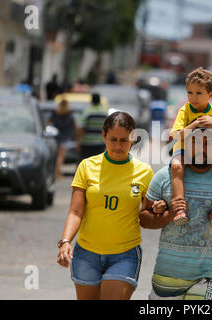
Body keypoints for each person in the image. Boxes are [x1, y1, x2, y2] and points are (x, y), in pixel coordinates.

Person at [139, 127, 212, 300]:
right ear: (185, 144)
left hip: (207, 276)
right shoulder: (164, 177)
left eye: (208, 144)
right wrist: (168, 215)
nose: (201, 149)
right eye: (195, 142)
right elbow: (144, 219)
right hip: (167, 275)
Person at [56, 111, 154, 300]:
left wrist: (159, 209)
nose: (118, 146)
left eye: (124, 140)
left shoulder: (145, 172)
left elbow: (147, 214)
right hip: (86, 254)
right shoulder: (86, 166)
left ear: (133, 138)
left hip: (124, 254)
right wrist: (66, 241)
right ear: (103, 136)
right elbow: (76, 211)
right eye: (113, 139)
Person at [170, 67, 212, 230]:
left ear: (211, 94)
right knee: (176, 167)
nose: (193, 97)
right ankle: (180, 208)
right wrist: (194, 125)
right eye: (190, 93)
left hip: (209, 152)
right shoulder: (184, 111)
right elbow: (175, 136)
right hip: (185, 150)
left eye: (198, 93)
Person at [47, 100, 78, 180]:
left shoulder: (55, 114)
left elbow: (48, 123)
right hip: (65, 138)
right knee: (61, 157)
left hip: (56, 137)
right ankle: (56, 173)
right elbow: (75, 126)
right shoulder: (69, 114)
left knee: (56, 156)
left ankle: (57, 172)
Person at [77, 93, 108, 161]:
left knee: (85, 163)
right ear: (99, 100)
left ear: (91, 101)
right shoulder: (105, 112)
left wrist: (78, 141)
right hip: (100, 143)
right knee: (97, 163)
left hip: (87, 143)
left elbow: (82, 128)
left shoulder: (88, 112)